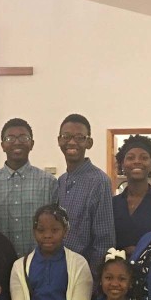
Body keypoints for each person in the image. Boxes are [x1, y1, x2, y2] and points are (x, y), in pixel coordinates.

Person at [0, 118, 58, 257]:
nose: (17, 142)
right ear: (2, 145)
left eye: (23, 137)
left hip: (40, 263)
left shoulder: (49, 183)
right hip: (0, 263)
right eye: (10, 138)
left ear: (32, 144)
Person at [55, 113, 115, 272]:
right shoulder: (60, 181)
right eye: (66, 136)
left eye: (79, 137)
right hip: (58, 270)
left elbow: (104, 240)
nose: (72, 142)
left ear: (89, 143)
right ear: (59, 140)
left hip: (84, 273)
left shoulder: (100, 182)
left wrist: (93, 280)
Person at [112, 135, 151, 256]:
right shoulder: (112, 204)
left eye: (144, 158)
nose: (137, 161)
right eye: (130, 157)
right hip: (117, 271)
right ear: (122, 164)